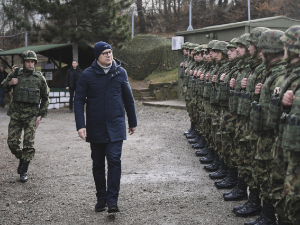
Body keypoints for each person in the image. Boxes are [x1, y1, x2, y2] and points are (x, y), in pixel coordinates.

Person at [74, 41, 137, 213]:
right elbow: (78, 101)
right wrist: (81, 125)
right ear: (97, 56)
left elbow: (128, 99)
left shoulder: (120, 72)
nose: (109, 55)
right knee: (98, 164)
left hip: (116, 125)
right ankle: (101, 198)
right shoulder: (87, 75)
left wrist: (132, 122)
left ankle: (112, 200)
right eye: (105, 53)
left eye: (110, 52)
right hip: (96, 126)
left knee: (114, 160)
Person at [0, 50, 49, 183]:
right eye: (28, 61)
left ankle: (24, 171)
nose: (30, 64)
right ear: (23, 62)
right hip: (16, 114)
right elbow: (3, 87)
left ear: (35, 63)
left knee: (28, 145)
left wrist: (40, 116)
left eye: (32, 61)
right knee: (12, 143)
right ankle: (23, 158)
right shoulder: (15, 74)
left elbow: (45, 98)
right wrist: (10, 83)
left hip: (31, 116)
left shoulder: (40, 78)